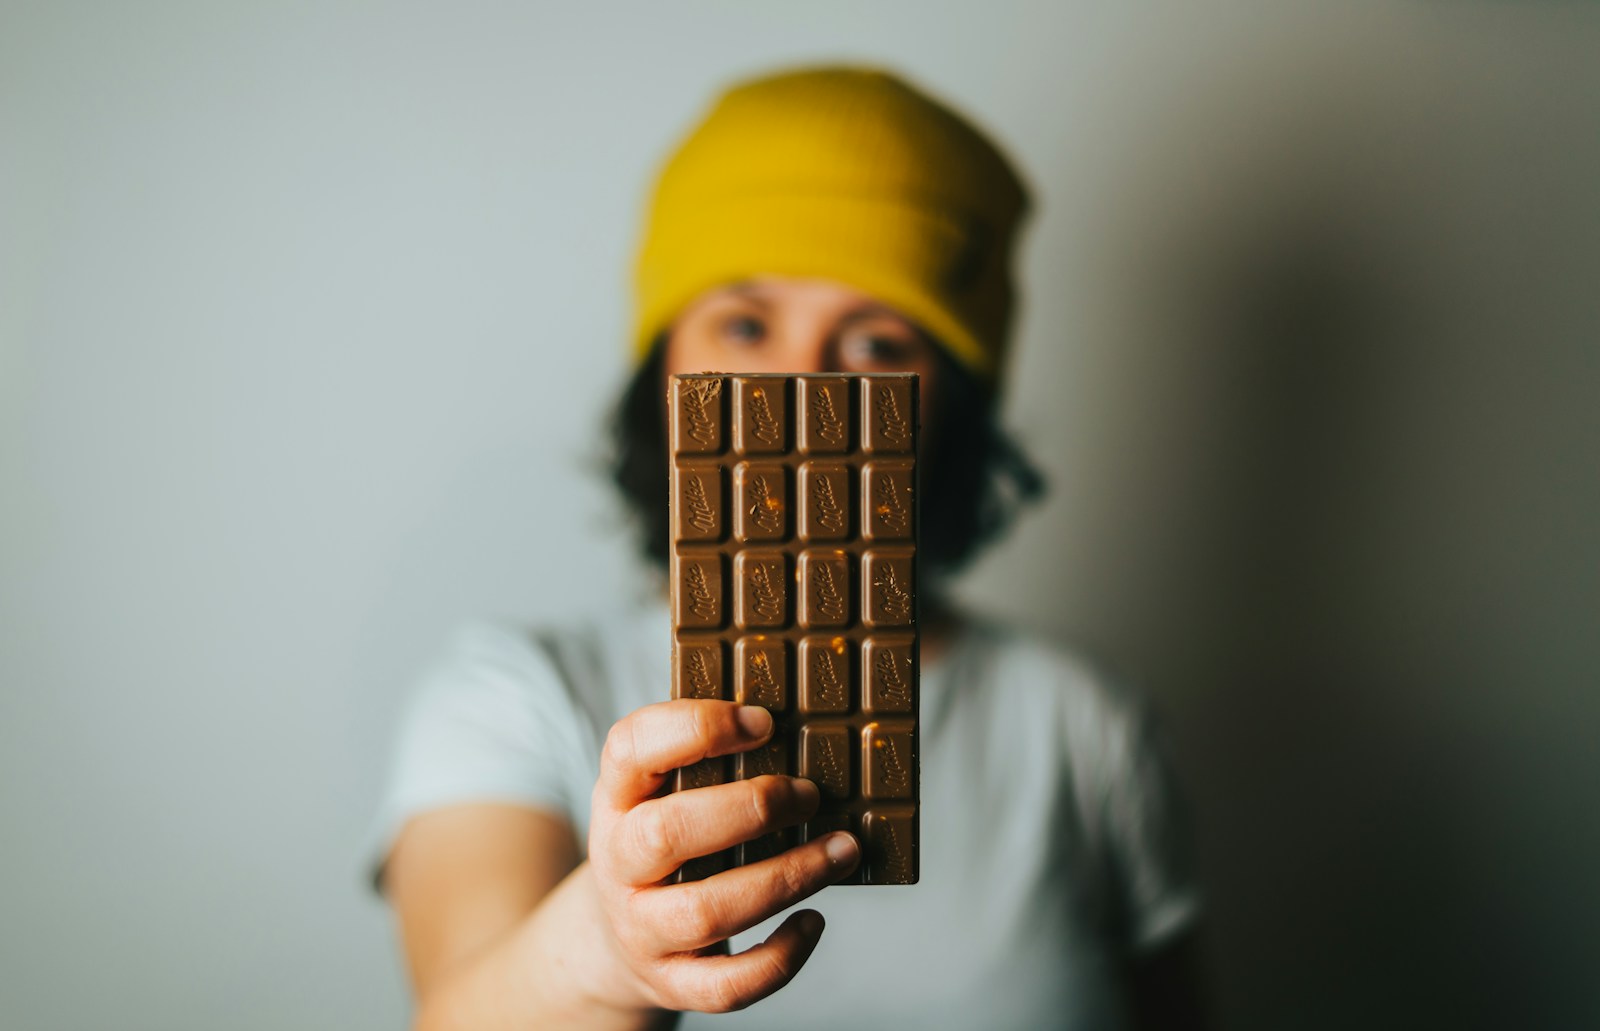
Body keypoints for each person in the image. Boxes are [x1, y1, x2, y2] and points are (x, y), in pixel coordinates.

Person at [369, 66, 1208, 1030]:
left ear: (953, 413)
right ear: (664, 372)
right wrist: (602, 954)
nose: (801, 384)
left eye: (878, 345)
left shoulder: (1084, 727)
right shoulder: (512, 697)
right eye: (746, 322)